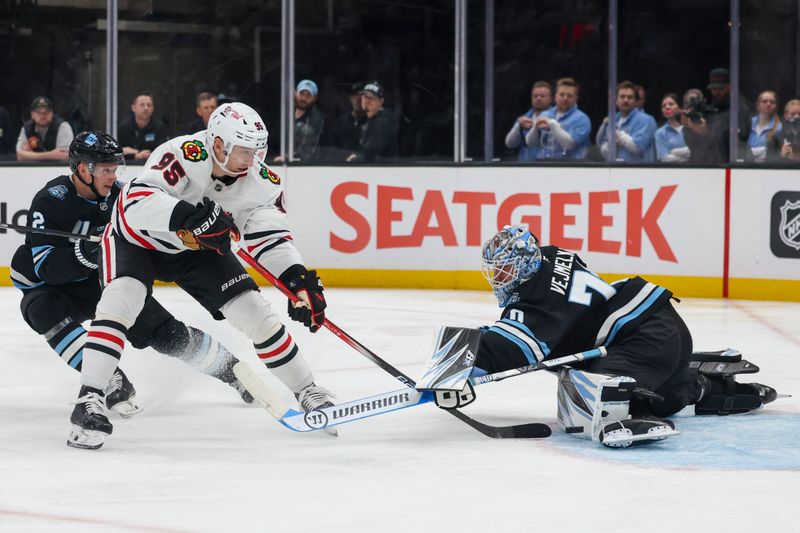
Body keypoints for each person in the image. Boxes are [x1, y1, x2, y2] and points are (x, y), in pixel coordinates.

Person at [67, 103, 335, 449]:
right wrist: (187, 217)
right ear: (218, 144)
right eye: (243, 150)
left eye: (257, 151)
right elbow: (136, 202)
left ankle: (308, 390)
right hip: (137, 238)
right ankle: (88, 400)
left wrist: (296, 279)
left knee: (255, 312)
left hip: (196, 249)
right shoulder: (184, 154)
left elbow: (270, 237)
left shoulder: (262, 181)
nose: (251, 160)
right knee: (122, 300)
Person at [10, 131, 253, 426]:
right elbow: (46, 268)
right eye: (106, 170)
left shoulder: (123, 199)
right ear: (83, 169)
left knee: (167, 334)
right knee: (41, 311)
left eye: (115, 169)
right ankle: (109, 376)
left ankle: (231, 369)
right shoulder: (51, 200)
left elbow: (150, 239)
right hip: (53, 289)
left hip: (104, 282)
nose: (113, 177)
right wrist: (87, 250)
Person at [466, 225, 778, 448]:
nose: (497, 278)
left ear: (524, 267)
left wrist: (463, 358)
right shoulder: (552, 255)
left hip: (646, 342)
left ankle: (631, 411)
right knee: (669, 396)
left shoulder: (539, 303)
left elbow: (513, 349)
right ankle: (709, 388)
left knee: (583, 385)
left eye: (504, 270)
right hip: (662, 327)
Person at [525, 77, 591, 161]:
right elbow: (530, 143)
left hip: (570, 167)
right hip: (542, 165)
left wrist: (552, 124)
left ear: (576, 98)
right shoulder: (545, 114)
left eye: (570, 95)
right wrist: (535, 127)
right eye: (561, 94)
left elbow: (570, 145)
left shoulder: (582, 119)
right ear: (555, 96)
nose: (565, 98)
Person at [596, 81, 657, 162]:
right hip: (616, 170)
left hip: (639, 172)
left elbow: (638, 148)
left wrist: (618, 134)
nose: (625, 100)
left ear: (635, 101)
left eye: (630, 97)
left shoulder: (647, 120)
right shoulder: (612, 120)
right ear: (616, 101)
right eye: (622, 96)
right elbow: (601, 145)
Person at [346, 81, 398, 163]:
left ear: (381, 102)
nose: (366, 100)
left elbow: (369, 152)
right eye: (364, 96)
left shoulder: (383, 121)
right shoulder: (366, 119)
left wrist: (357, 158)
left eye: (371, 98)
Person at [504, 81, 553, 162]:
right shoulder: (524, 118)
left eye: (542, 96)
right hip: (525, 167)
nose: (538, 98)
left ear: (551, 99)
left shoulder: (556, 118)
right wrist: (518, 127)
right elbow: (510, 144)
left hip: (547, 166)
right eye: (535, 96)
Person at [16, 97, 74, 162]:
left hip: (57, 169)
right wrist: (52, 154)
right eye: (39, 112)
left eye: (46, 112)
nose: (43, 116)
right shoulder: (26, 128)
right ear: (32, 114)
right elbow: (20, 156)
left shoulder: (63, 126)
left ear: (52, 113)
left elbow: (64, 156)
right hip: (33, 169)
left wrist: (31, 155)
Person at [118, 92, 170, 161]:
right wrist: (136, 156)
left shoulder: (160, 128)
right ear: (133, 108)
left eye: (149, 105)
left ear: (153, 109)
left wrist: (136, 152)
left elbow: (162, 153)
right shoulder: (124, 128)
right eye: (142, 105)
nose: (146, 108)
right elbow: (118, 154)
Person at [322, 82, 366, 160]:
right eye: (355, 95)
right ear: (350, 98)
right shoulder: (340, 123)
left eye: (362, 95)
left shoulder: (372, 122)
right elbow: (330, 149)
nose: (358, 99)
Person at [746, 90, 781, 163]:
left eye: (772, 102)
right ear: (757, 106)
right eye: (764, 101)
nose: (768, 104)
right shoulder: (747, 124)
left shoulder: (780, 128)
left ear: (776, 107)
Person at [654, 93, 691, 163]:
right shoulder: (660, 133)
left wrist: (674, 152)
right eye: (663, 106)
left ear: (680, 108)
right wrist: (689, 156)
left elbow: (698, 151)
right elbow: (664, 158)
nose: (667, 107)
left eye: (671, 104)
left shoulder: (691, 127)